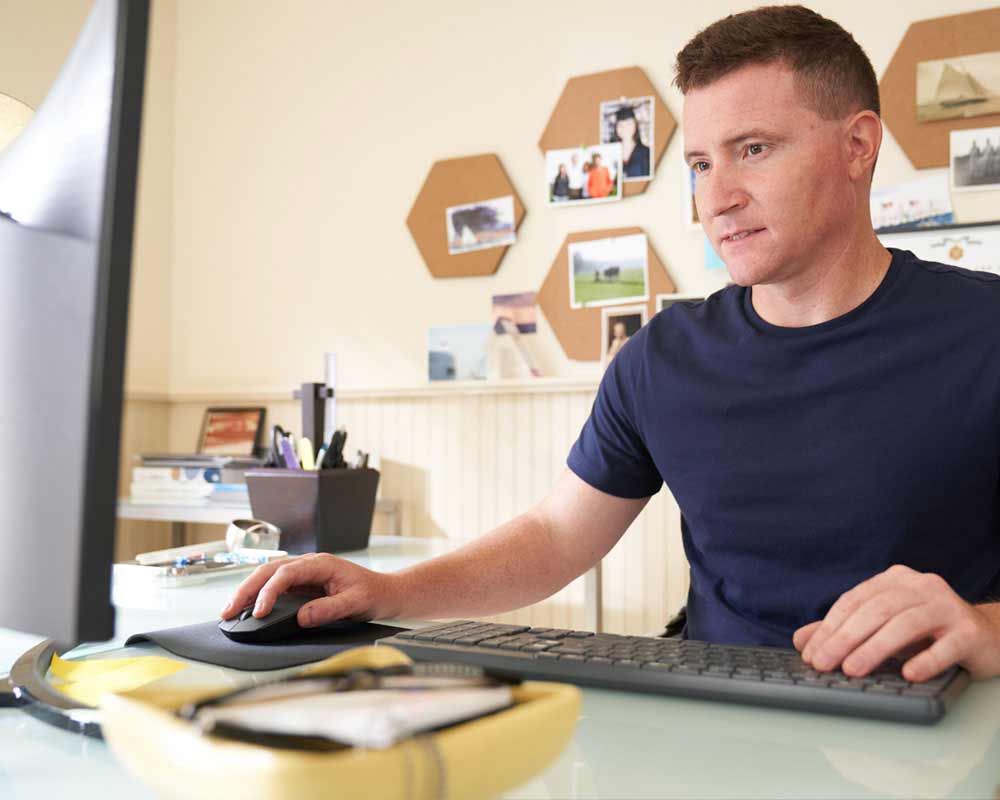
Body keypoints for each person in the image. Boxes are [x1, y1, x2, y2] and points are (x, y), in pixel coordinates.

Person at [223, 6, 1000, 685]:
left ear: (859, 145)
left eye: (754, 149)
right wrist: (389, 591)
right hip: (722, 720)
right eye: (700, 163)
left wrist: (988, 628)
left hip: (943, 724)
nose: (716, 198)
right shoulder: (663, 358)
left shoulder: (984, 332)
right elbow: (560, 535)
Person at [613, 104, 651, 180]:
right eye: (620, 124)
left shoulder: (646, 152)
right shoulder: (611, 152)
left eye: (629, 123)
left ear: (635, 126)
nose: (625, 128)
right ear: (616, 129)